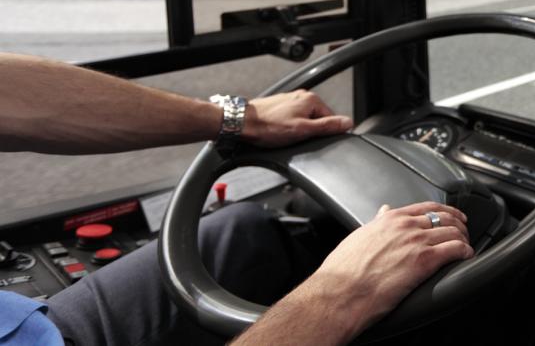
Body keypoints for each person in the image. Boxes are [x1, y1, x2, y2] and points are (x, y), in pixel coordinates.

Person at [0, 53, 474, 345]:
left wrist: (236, 119)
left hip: (28, 329)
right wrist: (342, 294)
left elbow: (11, 93)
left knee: (238, 233)